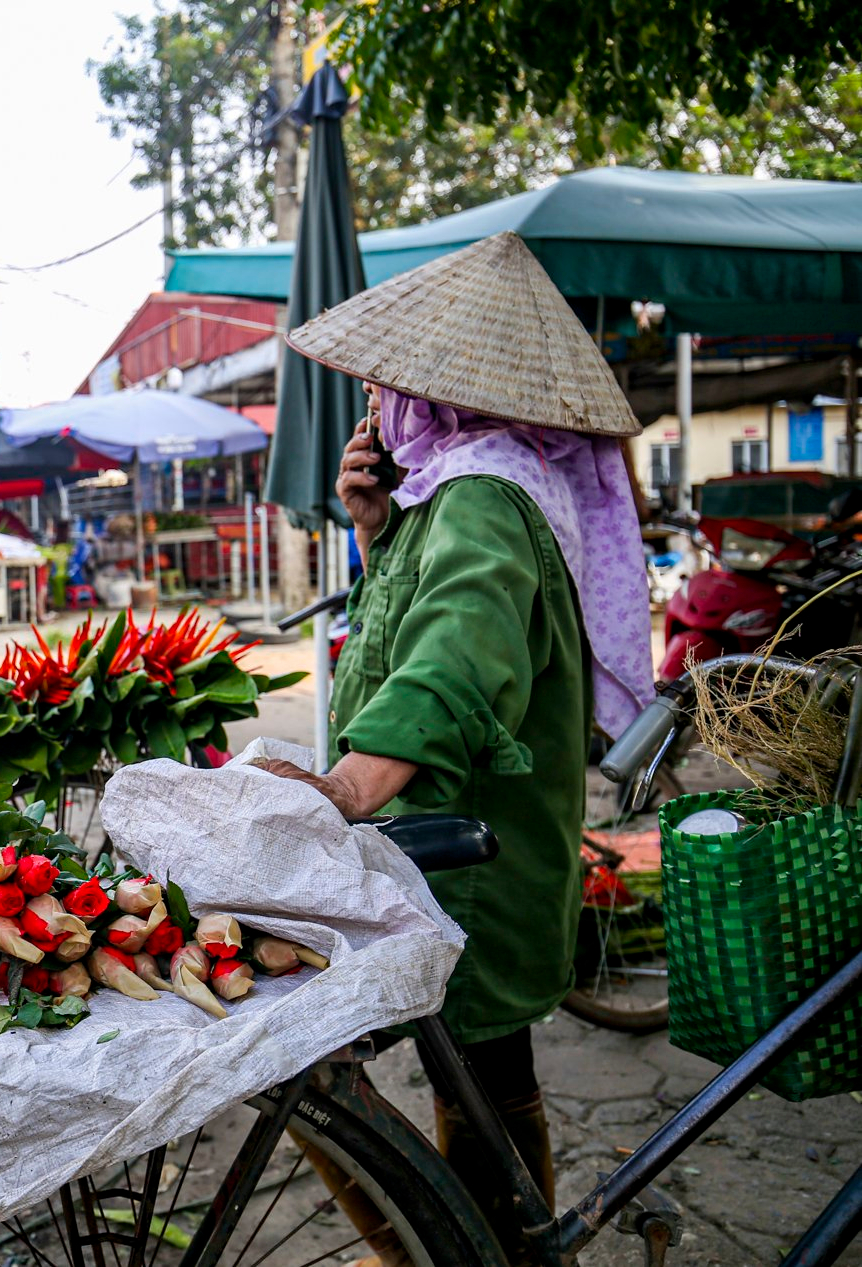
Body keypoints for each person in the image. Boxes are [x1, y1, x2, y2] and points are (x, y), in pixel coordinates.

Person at [259, 233, 652, 1262]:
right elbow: (418, 617)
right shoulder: (459, 490)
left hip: (466, 857)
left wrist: (347, 782)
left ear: (432, 394)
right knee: (482, 1078)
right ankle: (483, 1247)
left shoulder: (482, 493)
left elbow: (458, 658)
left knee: (319, 1060)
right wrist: (374, 525)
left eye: (390, 387)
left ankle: (451, 1250)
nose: (378, 404)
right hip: (465, 847)